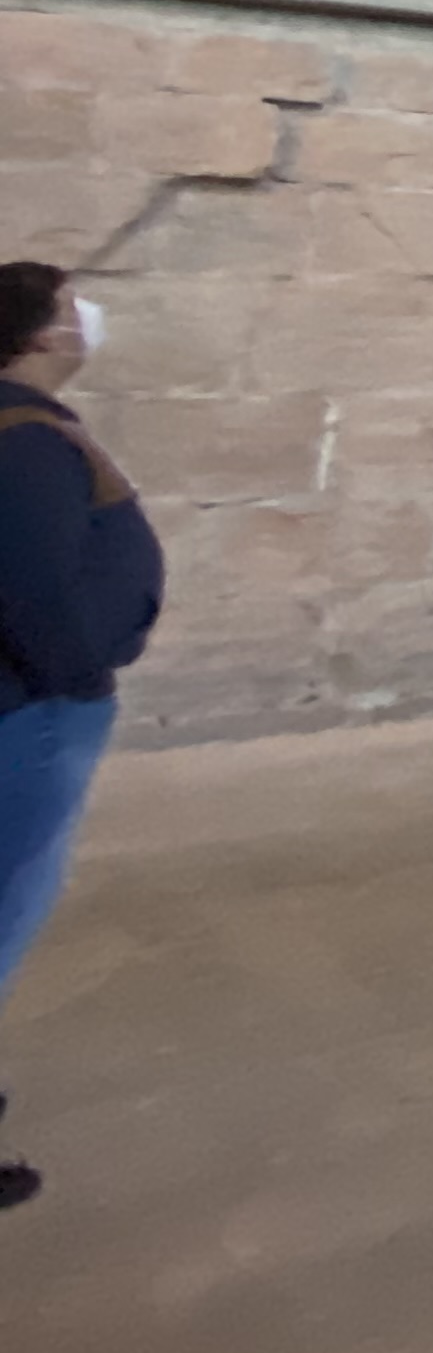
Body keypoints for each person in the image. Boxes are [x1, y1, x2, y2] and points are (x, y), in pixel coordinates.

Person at [0, 263, 162, 1211]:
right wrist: (83, 674)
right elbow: (34, 595)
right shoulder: (23, 440)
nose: (85, 321)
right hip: (30, 716)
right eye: (70, 310)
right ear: (39, 334)